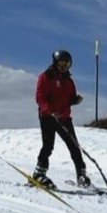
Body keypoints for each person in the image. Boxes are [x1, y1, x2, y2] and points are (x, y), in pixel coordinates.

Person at [32, 49, 91, 189]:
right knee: (48, 145)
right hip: (48, 117)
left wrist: (75, 100)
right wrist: (50, 111)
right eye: (62, 63)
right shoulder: (45, 77)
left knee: (74, 146)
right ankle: (39, 173)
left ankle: (81, 175)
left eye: (67, 64)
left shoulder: (69, 81)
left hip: (64, 117)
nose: (64, 66)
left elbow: (68, 98)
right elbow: (40, 98)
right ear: (55, 62)